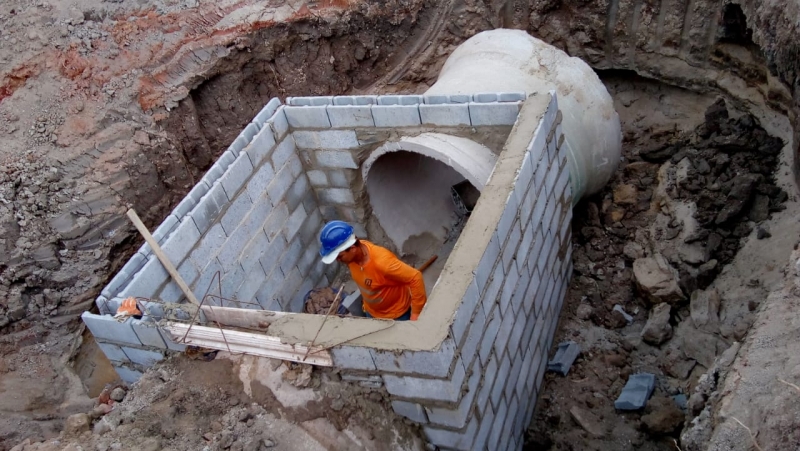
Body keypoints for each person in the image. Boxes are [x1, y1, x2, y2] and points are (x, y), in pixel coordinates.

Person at [319, 220, 427, 321]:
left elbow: (415, 277)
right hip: (371, 311)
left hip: (396, 315)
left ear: (352, 249)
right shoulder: (352, 257)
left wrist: (416, 313)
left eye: (339, 256)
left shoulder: (383, 263)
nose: (338, 260)